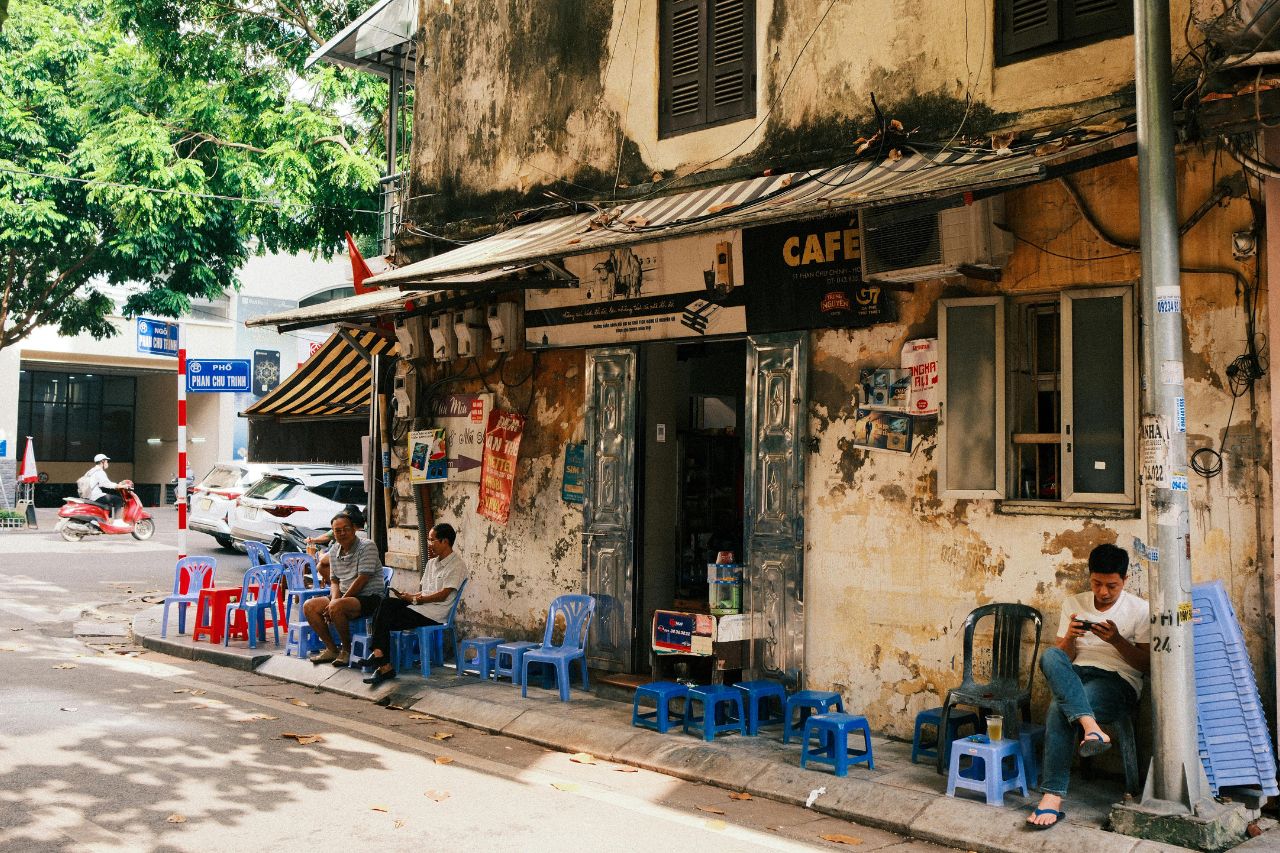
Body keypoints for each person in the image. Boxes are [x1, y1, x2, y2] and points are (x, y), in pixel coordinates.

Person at [1027, 543, 1151, 830]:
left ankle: (1052, 797)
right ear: (1090, 577)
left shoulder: (1140, 610)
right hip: (1076, 674)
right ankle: (1091, 726)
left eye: (1111, 586)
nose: (1103, 592)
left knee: (1060, 707)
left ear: (1125, 580)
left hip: (1118, 682)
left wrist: (1116, 640)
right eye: (1096, 583)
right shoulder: (1074, 604)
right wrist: (1070, 636)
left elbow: (1145, 666)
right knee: (1050, 655)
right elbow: (1063, 659)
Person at [359, 522, 467, 687]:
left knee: (384, 619)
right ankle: (381, 659)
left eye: (432, 540)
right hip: (419, 607)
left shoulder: (457, 565)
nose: (429, 544)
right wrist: (409, 597)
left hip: (434, 614)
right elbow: (424, 591)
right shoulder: (432, 563)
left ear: (445, 541)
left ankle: (382, 662)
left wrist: (417, 600)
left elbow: (443, 595)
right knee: (385, 603)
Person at [303, 511, 385, 666]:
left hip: (369, 597)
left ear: (354, 529)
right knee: (309, 606)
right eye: (337, 530)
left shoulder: (367, 546)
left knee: (336, 606)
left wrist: (337, 602)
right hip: (345, 596)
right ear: (333, 533)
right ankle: (331, 648)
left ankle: (346, 650)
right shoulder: (334, 550)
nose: (342, 533)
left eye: (346, 529)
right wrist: (334, 600)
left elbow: (362, 579)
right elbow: (334, 581)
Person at [309, 505, 367, 585]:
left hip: (352, 584)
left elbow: (324, 560)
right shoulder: (364, 535)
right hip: (347, 581)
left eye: (344, 529)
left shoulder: (354, 539)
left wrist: (318, 553)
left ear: (352, 526)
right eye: (337, 531)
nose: (342, 533)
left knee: (320, 566)